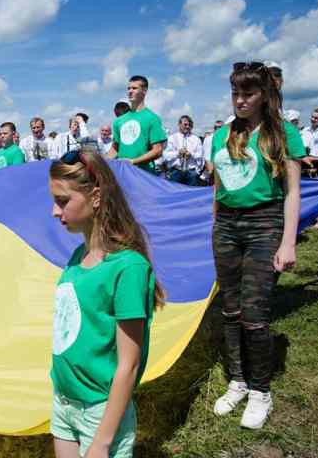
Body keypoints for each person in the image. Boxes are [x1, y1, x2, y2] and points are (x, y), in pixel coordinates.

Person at [48, 148, 161, 458]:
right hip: (64, 403)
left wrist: (102, 442)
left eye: (62, 201)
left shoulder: (128, 269)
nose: (55, 212)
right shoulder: (76, 258)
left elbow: (129, 364)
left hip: (100, 412)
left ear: (95, 196)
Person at [211, 61, 304, 429]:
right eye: (235, 93)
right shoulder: (221, 135)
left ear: (264, 95)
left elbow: (293, 192)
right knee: (229, 309)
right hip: (227, 228)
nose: (240, 100)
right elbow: (218, 188)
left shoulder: (283, 134)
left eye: (248, 93)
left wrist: (288, 242)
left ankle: (260, 391)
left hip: (265, 224)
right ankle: (237, 380)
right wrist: (215, 228)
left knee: (254, 311)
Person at [107, 76, 167, 173]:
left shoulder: (152, 118)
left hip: (144, 175)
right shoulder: (118, 121)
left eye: (134, 88)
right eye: (128, 88)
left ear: (144, 91)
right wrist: (103, 163)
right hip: (122, 173)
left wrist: (133, 161)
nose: (130, 91)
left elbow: (157, 150)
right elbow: (114, 149)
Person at [163, 115, 204, 186]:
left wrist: (191, 154)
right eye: (185, 124)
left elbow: (200, 155)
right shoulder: (172, 138)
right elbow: (166, 156)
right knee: (175, 195)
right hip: (175, 172)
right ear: (179, 124)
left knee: (192, 195)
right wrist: (178, 153)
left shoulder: (196, 139)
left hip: (191, 172)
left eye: (189, 125)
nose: (187, 127)